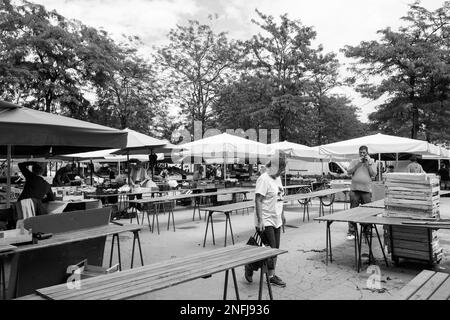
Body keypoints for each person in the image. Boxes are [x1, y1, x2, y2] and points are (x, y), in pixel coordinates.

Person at [244, 152, 287, 288]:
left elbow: (280, 197)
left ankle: (264, 272)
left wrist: (282, 215)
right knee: (270, 250)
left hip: (276, 219)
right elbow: (258, 199)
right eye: (281, 169)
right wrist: (260, 220)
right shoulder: (264, 179)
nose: (282, 172)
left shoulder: (277, 178)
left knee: (275, 249)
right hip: (266, 219)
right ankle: (257, 269)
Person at [346, 145, 377, 240]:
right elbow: (348, 172)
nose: (362, 154)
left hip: (366, 190)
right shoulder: (354, 161)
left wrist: (369, 164)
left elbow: (373, 174)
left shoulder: (371, 162)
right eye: (361, 152)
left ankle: (366, 230)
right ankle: (352, 231)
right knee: (353, 210)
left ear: (367, 153)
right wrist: (357, 163)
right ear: (358, 152)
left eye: (364, 153)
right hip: (355, 189)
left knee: (367, 211)